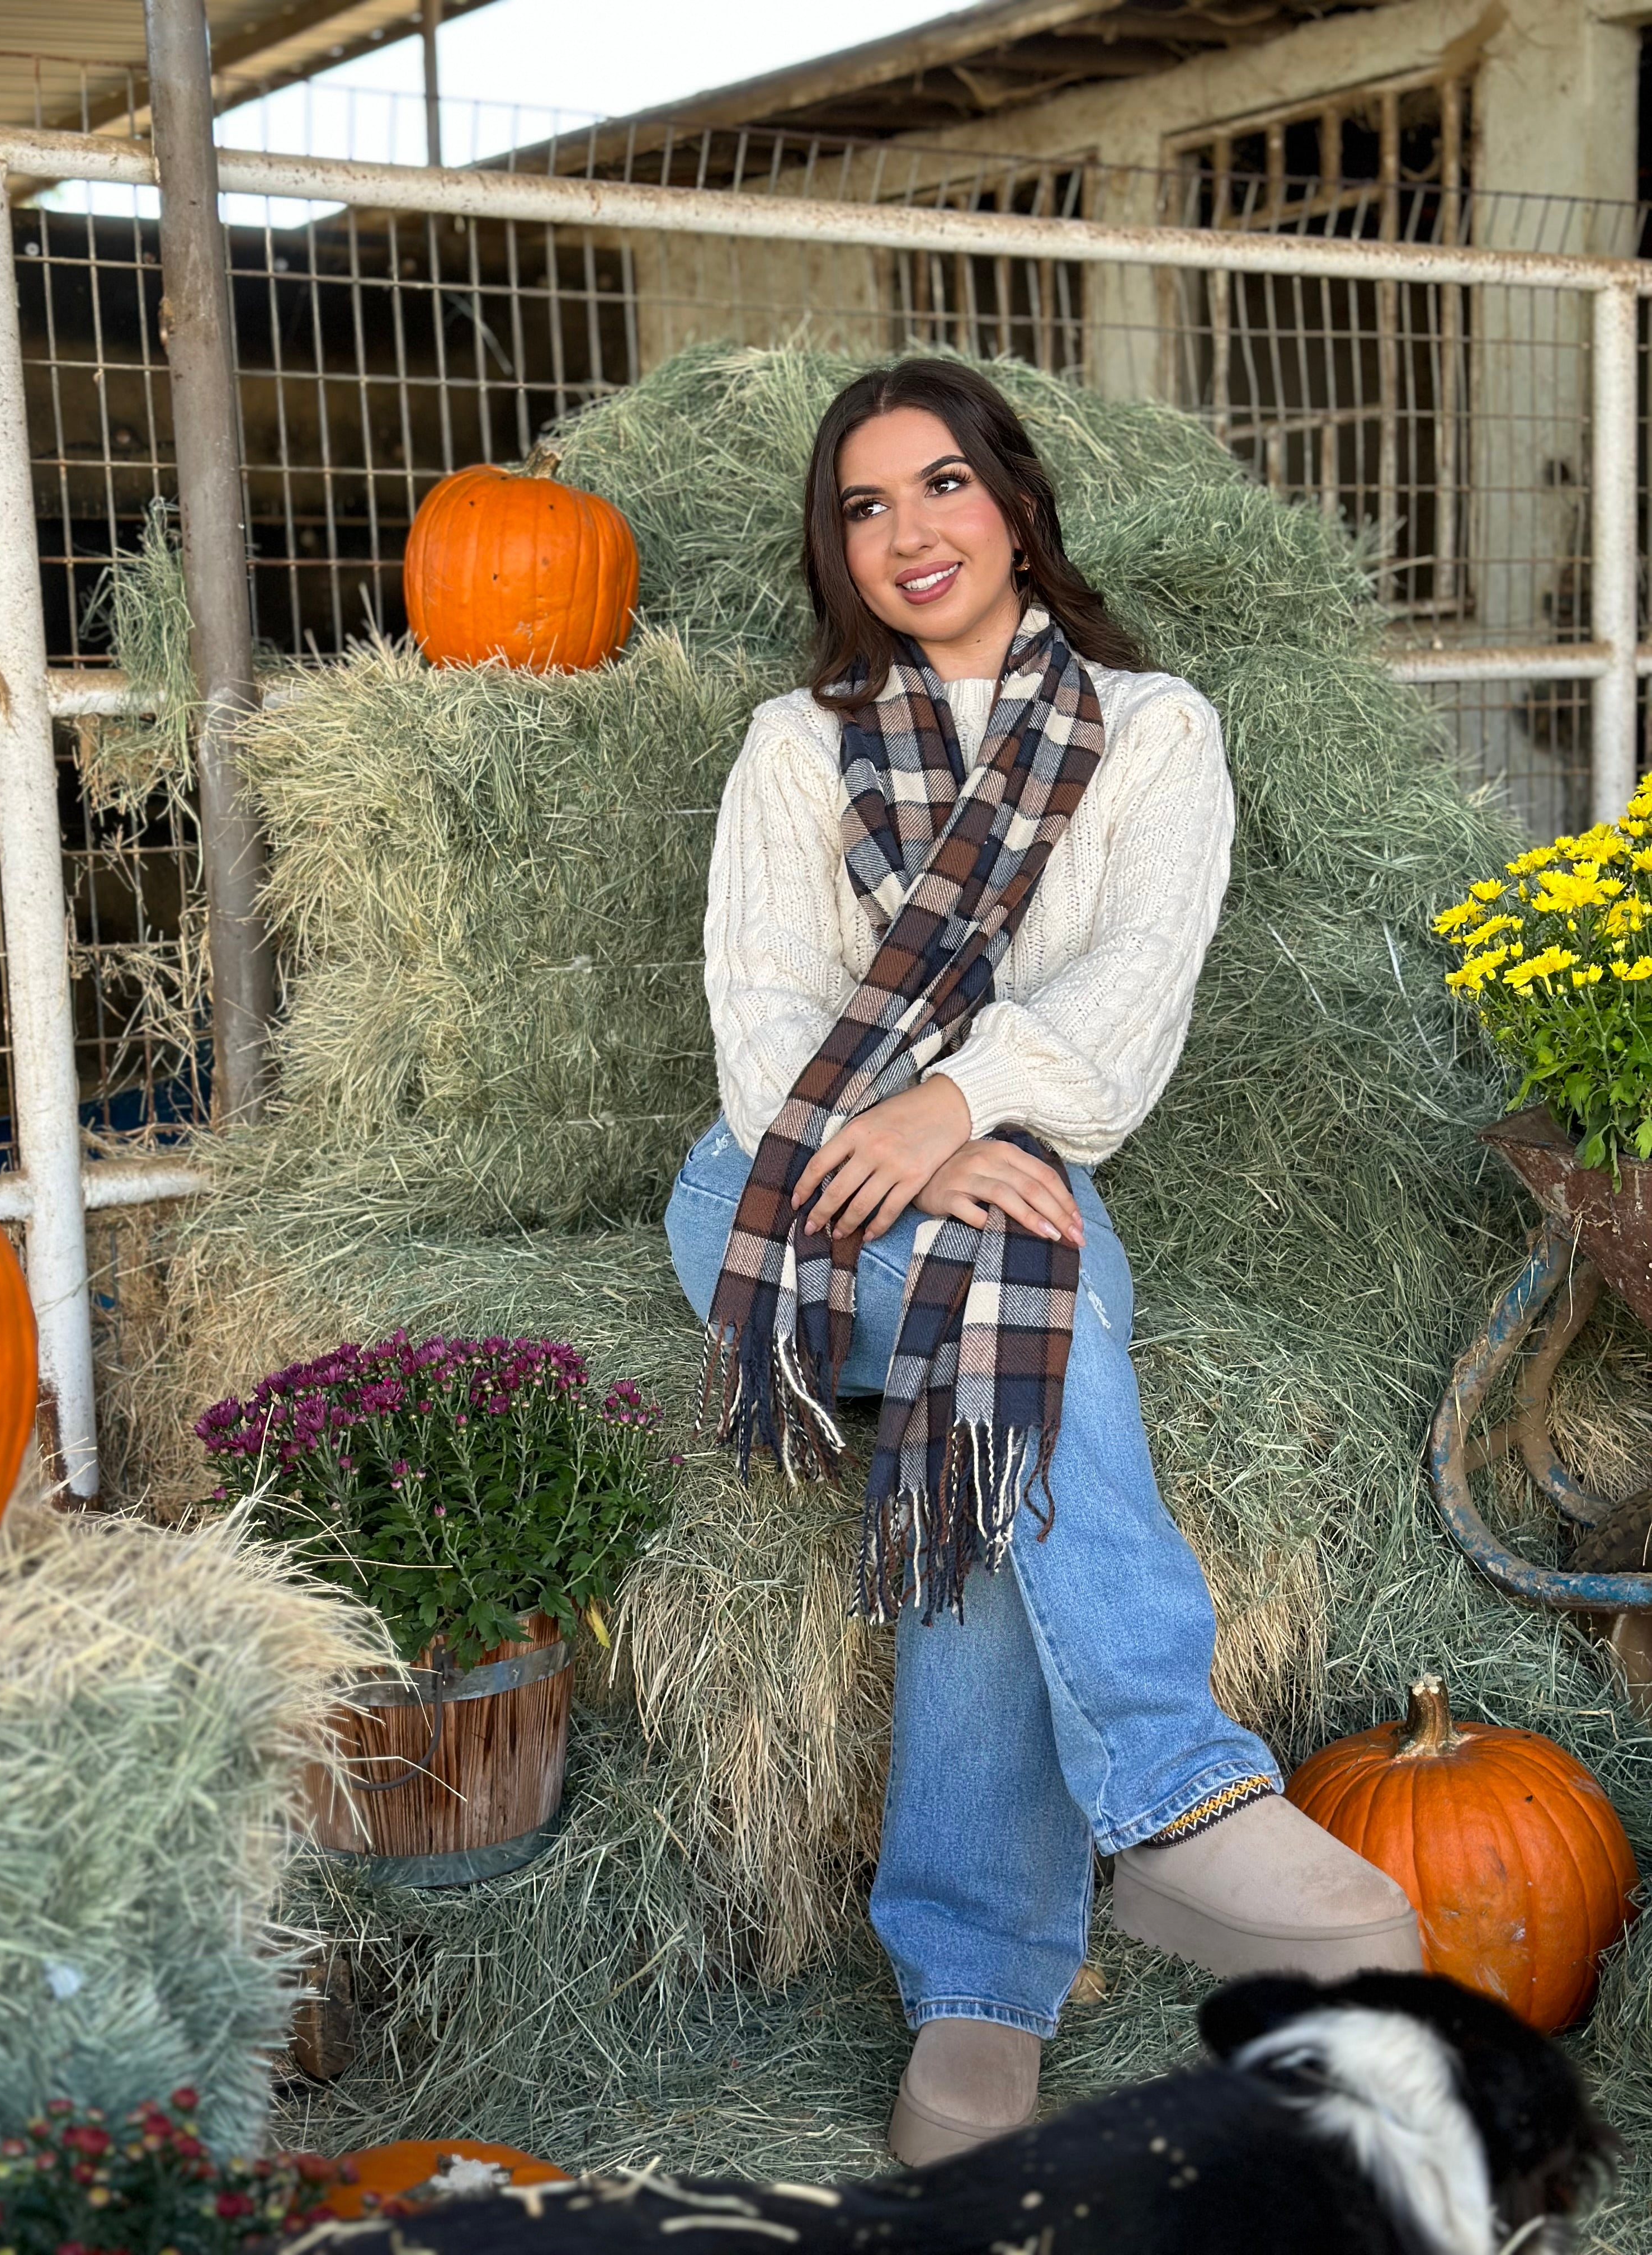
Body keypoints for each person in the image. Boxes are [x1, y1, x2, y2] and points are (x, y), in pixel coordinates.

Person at [663, 360, 1420, 2168]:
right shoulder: (796, 746)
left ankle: (979, 2001)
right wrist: (916, 1136)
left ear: (1013, 503)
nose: (910, 533)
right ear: (837, 552)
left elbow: (1128, 1000)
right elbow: (764, 1033)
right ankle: (1169, 1795)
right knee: (1025, 1294)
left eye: (940, 487)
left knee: (993, 1363)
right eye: (865, 507)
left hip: (1015, 1183)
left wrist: (975, 1113)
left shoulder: (1152, 732)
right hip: (779, 1192)